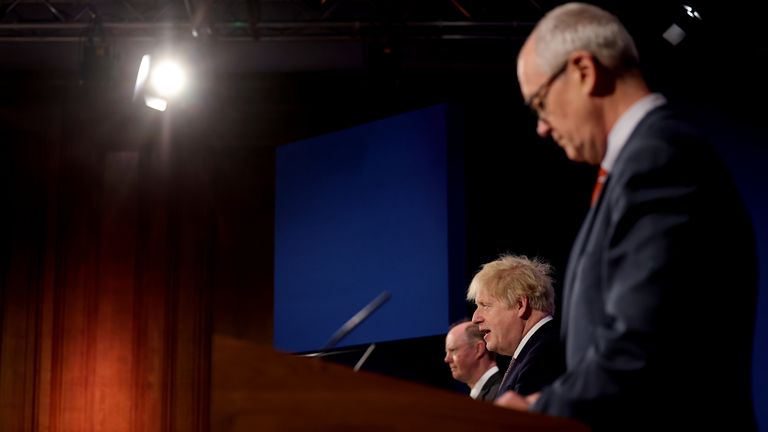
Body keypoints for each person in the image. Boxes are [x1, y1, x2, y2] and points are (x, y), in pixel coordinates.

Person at [505, 3, 758, 431]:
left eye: (540, 103)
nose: (541, 128)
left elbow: (644, 343)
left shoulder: (660, 159)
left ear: (584, 70)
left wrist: (541, 411)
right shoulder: (642, 164)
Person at [467, 254, 564, 398]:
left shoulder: (544, 356)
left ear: (520, 305)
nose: (475, 318)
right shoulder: (533, 352)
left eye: (485, 305)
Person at [444, 320, 502, 401]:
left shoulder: (501, 393)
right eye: (447, 352)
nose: (446, 359)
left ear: (478, 349)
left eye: (453, 350)